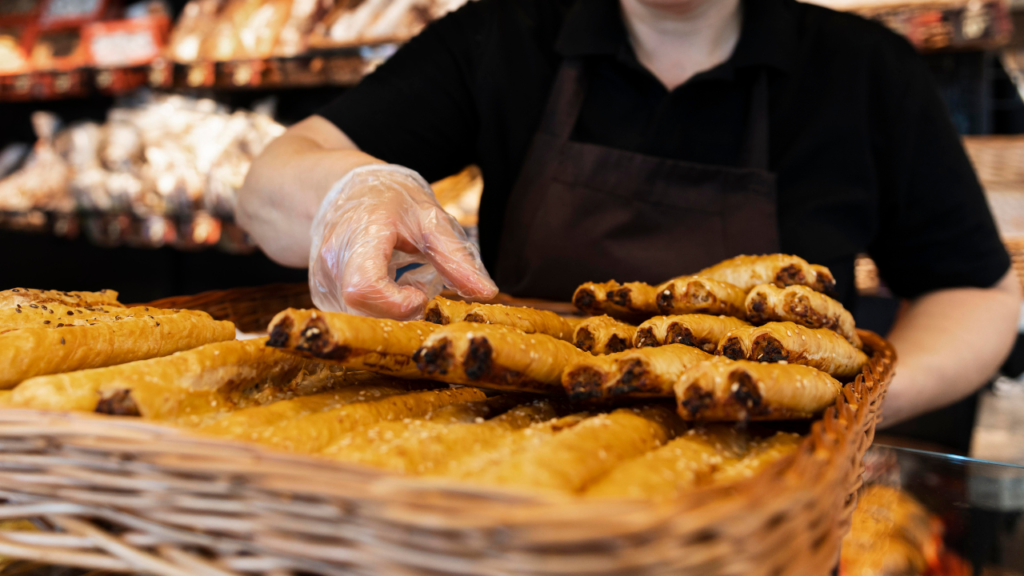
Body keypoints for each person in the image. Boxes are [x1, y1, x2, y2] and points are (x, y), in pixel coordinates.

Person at [238, 0, 1021, 426]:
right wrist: (352, 194)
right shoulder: (503, 35)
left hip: (764, 489)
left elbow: (975, 292)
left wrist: (847, 405)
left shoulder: (863, 73)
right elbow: (270, 183)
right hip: (523, 465)